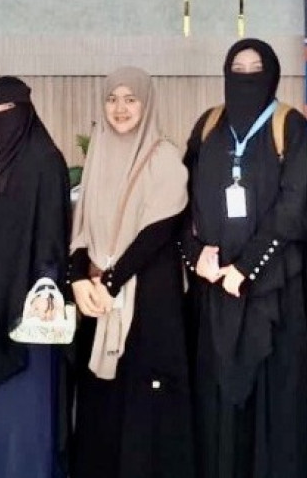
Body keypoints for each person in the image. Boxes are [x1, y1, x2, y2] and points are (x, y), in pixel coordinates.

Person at [180, 39, 307, 478]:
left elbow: (294, 208)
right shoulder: (208, 125)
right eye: (236, 68)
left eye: (255, 68)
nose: (244, 76)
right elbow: (179, 199)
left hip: (272, 292)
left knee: (274, 404)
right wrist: (195, 256)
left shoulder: (289, 126)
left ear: (272, 74)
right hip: (214, 292)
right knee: (216, 401)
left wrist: (246, 268)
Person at [69, 67, 194, 478]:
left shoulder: (164, 157)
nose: (119, 108)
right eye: (112, 99)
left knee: (142, 406)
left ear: (146, 103)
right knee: (101, 407)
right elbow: (81, 228)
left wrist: (109, 281)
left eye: (130, 99)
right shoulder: (99, 154)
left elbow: (157, 231)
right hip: (98, 301)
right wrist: (78, 279)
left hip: (147, 305)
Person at [0, 76, 71, 478]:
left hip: (30, 311)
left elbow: (53, 232)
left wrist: (46, 284)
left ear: (26, 112)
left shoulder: (45, 160)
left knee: (26, 414)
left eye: (7, 110)